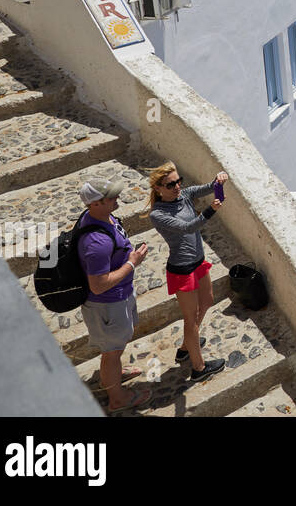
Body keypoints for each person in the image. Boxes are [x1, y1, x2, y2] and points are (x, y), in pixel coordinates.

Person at [147, 162, 228, 383]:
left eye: (178, 181)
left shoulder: (184, 195)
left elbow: (205, 187)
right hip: (182, 269)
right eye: (171, 184)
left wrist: (218, 180)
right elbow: (186, 227)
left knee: (208, 301)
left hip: (198, 262)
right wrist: (211, 210)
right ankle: (198, 367)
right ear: (158, 188)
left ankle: (185, 347)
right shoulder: (158, 214)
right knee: (190, 320)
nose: (177, 186)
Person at [77, 180, 151, 412]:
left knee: (115, 350)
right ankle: (117, 399)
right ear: (96, 203)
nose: (117, 199)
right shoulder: (96, 242)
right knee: (111, 353)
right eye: (111, 197)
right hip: (107, 305)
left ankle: (114, 373)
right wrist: (132, 263)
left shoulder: (103, 218)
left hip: (119, 299)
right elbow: (98, 285)